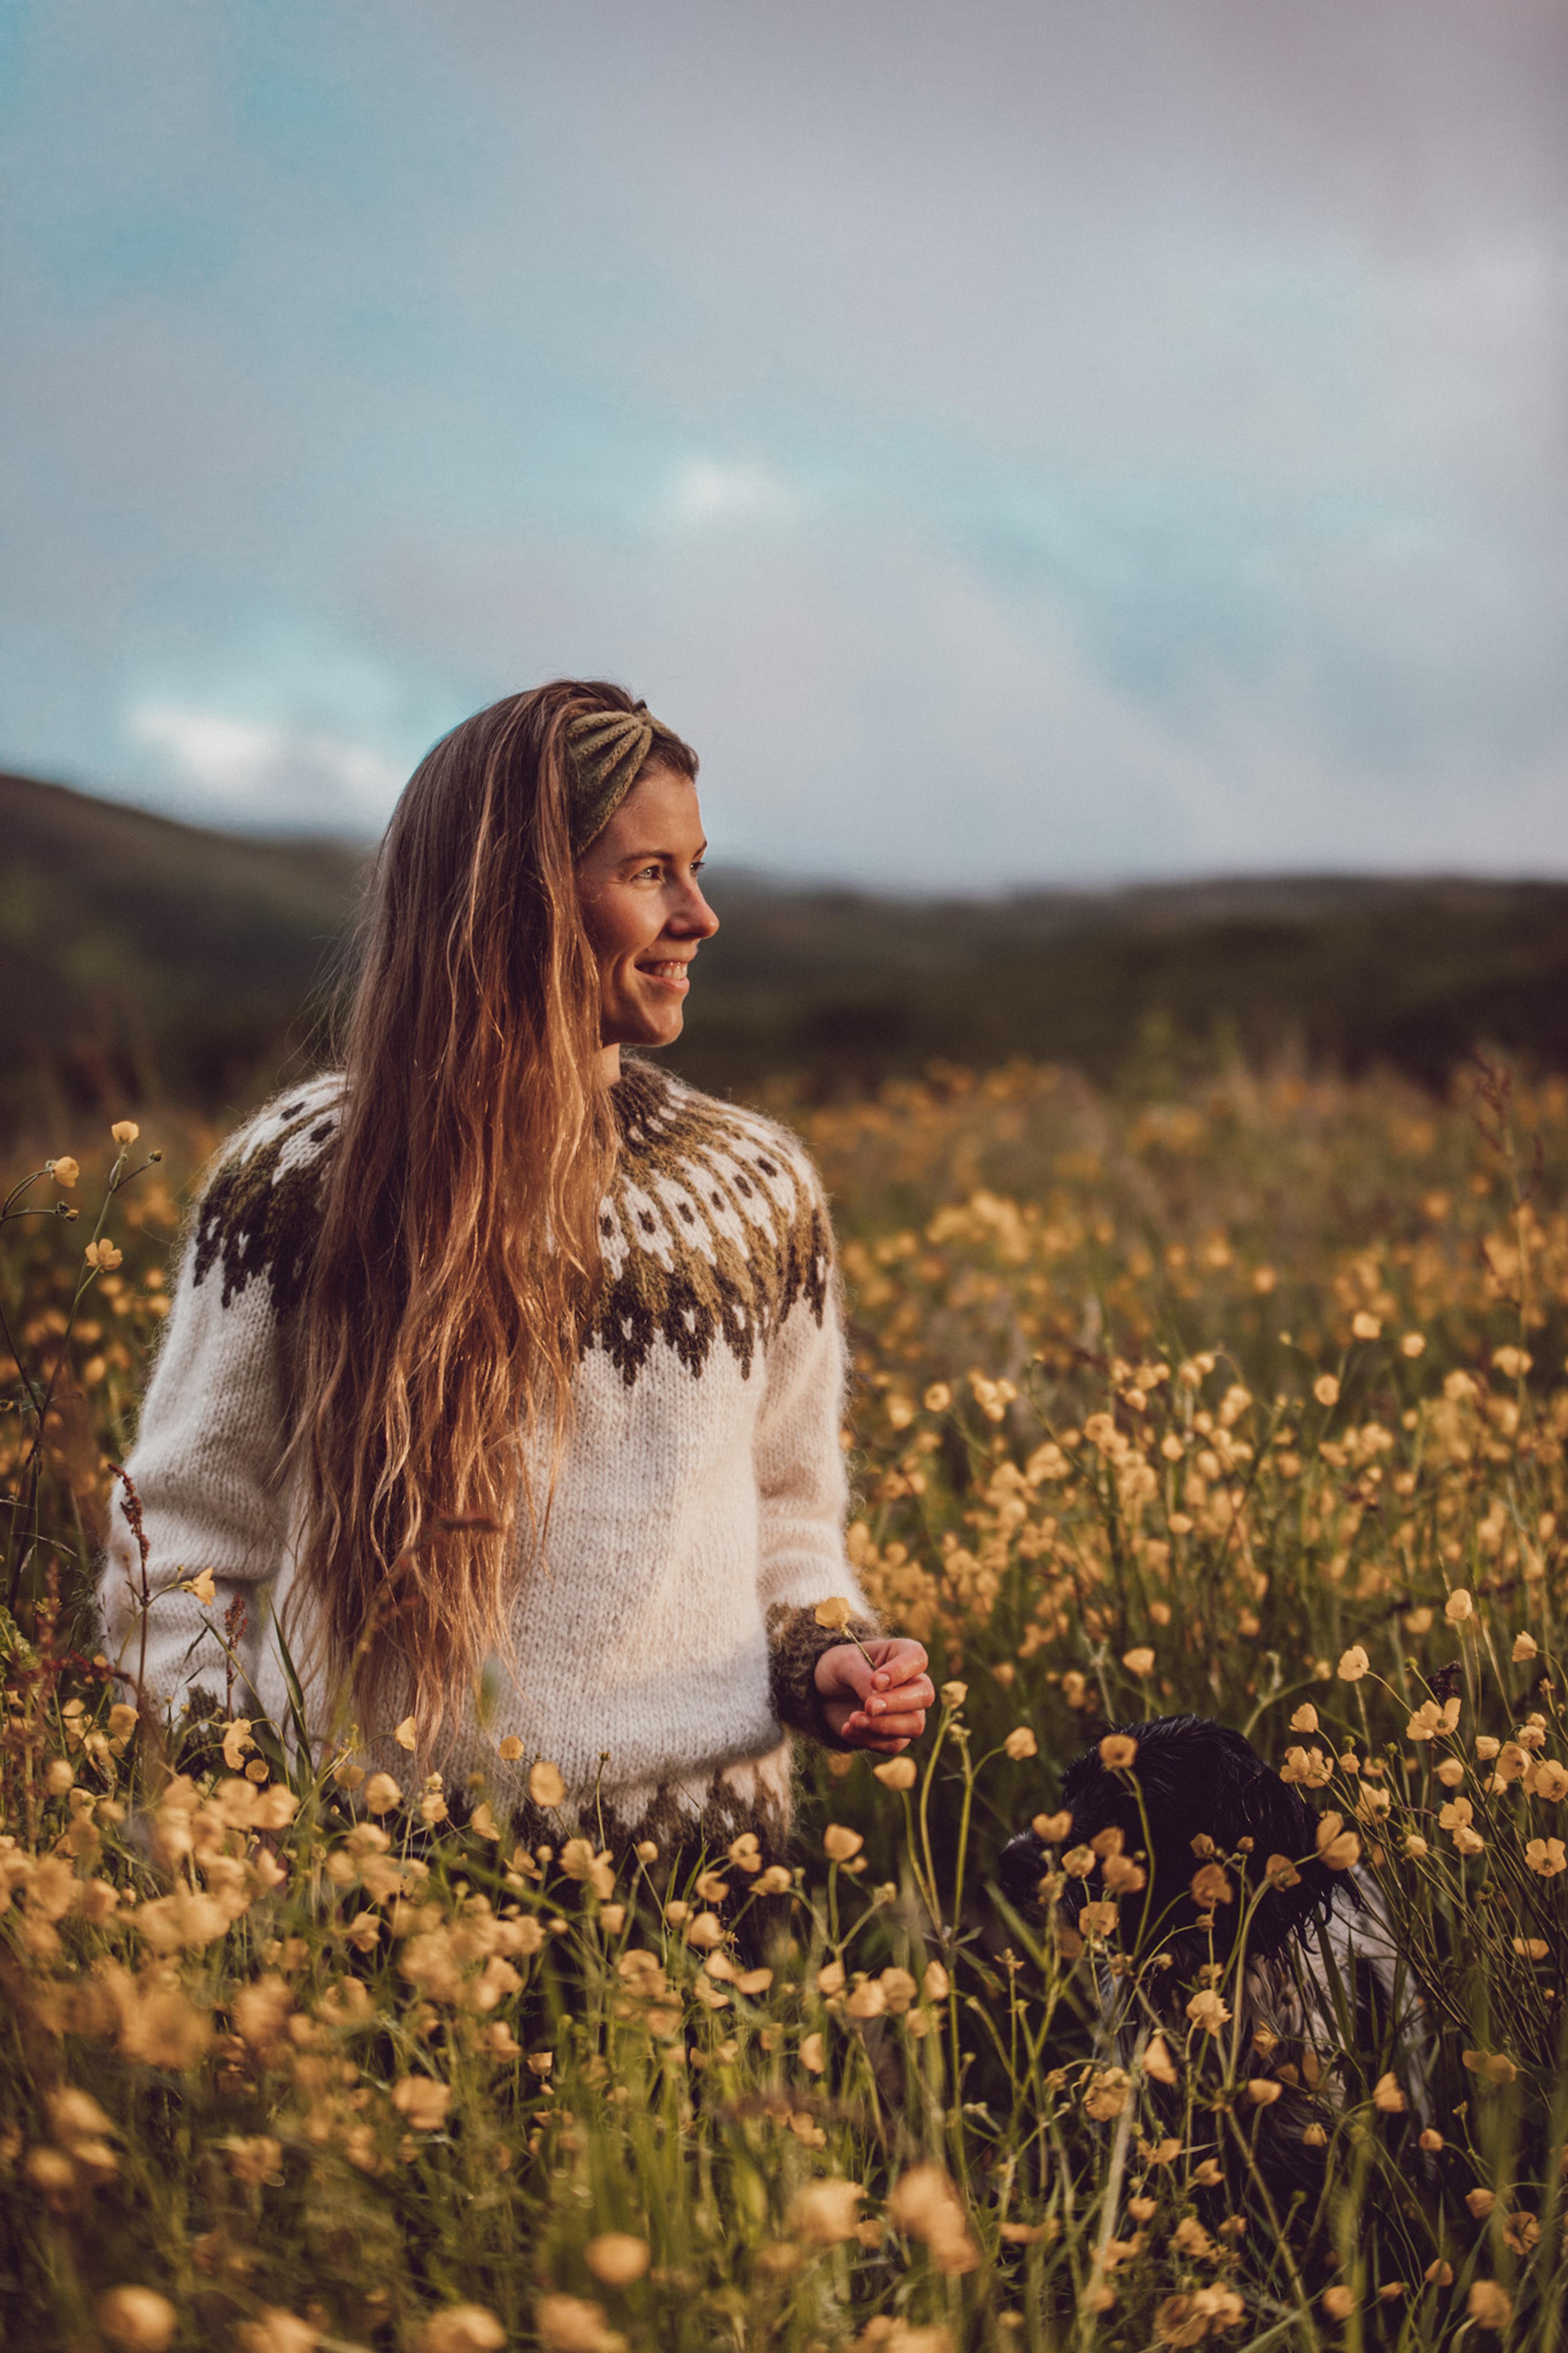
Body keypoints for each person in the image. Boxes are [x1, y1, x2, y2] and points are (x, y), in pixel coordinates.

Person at [99, 680, 933, 1869]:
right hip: (367, 1888)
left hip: (702, 1880)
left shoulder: (752, 1192)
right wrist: (220, 1823)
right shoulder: (300, 1182)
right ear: (520, 896)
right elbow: (179, 1537)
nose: (699, 914)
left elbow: (789, 1517)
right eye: (650, 873)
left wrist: (827, 1658)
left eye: (696, 869)